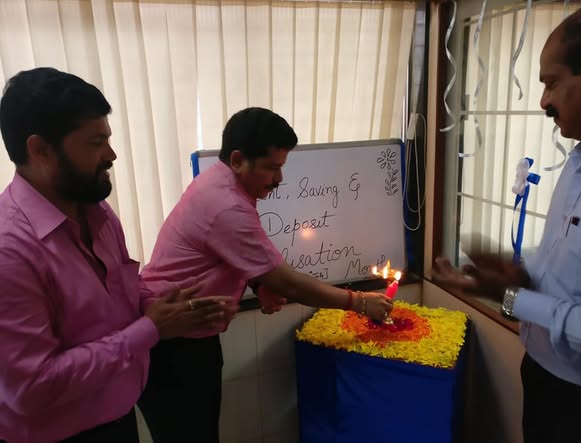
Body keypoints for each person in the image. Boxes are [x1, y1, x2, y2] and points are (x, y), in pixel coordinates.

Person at [0, 68, 237, 443]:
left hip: (116, 416)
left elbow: (117, 293)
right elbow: (32, 387)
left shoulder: (96, 211)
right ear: (40, 150)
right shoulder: (10, 250)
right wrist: (150, 329)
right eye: (96, 142)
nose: (111, 155)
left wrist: (165, 304)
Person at [137, 106, 393, 442]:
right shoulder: (226, 205)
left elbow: (225, 252)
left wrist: (258, 282)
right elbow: (288, 282)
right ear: (238, 159)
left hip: (185, 334)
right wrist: (359, 302)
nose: (278, 179)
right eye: (272, 168)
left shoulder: (220, 182)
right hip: (174, 344)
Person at [434, 5, 581, 443]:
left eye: (552, 82)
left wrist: (510, 297)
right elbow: (566, 265)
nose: (543, 102)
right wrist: (517, 274)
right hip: (543, 376)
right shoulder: (579, 160)